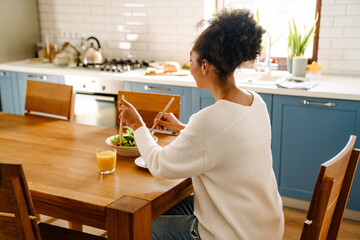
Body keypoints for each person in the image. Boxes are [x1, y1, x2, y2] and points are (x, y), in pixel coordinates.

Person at [118, 8, 284, 240]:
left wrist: (137, 125)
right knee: (146, 212)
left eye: (191, 60)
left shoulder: (209, 121)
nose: (190, 66)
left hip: (234, 234)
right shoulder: (255, 102)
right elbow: (228, 143)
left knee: (133, 227)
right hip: (264, 226)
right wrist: (182, 129)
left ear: (204, 66)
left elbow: (159, 165)